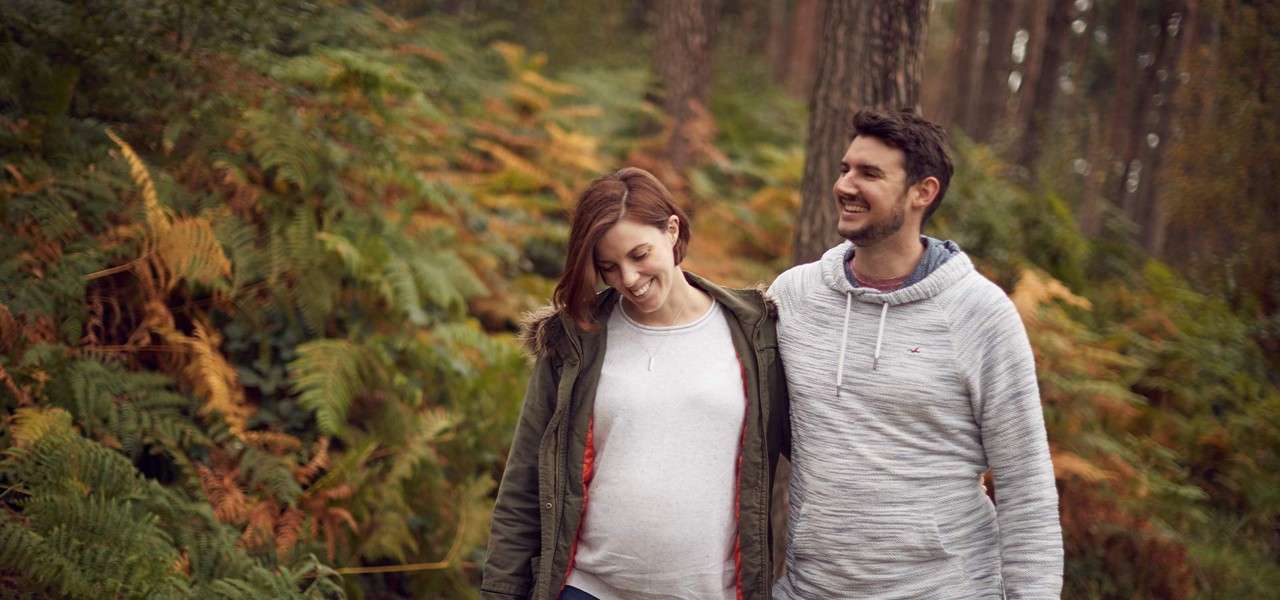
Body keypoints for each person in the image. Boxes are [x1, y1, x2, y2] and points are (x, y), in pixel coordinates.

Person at [769, 109, 1063, 599]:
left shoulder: (980, 313)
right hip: (811, 589)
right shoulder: (795, 296)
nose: (844, 185)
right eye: (845, 169)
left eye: (869, 174)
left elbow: (1026, 487)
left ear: (922, 192)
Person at [481, 167, 789, 600]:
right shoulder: (575, 340)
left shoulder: (755, 333)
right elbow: (523, 483)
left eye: (639, 255)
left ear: (671, 230)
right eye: (608, 267)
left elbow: (817, 458)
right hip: (587, 589)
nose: (628, 278)